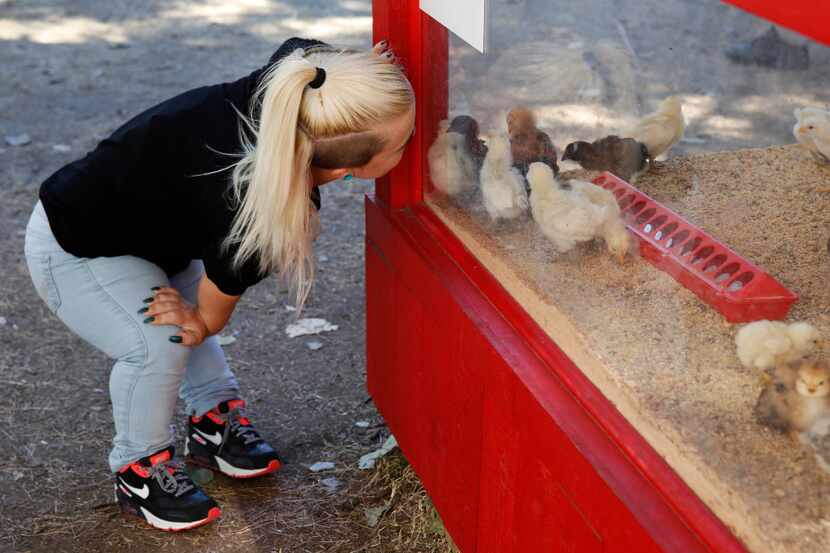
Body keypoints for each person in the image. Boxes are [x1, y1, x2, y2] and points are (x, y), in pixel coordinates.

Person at [23, 37, 415, 531]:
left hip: (155, 234)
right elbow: (209, 315)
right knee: (164, 338)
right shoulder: (258, 211)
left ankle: (211, 422)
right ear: (340, 171)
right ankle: (138, 467)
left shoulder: (295, 84)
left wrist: (367, 82)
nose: (413, 142)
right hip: (77, 247)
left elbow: (310, 55)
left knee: (181, 306)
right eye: (403, 144)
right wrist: (197, 320)